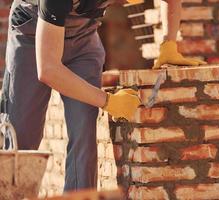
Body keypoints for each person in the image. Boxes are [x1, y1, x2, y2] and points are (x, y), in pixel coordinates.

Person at [1, 0, 206, 192]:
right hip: (32, 34)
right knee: (21, 139)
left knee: (84, 133)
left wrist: (169, 44)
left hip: (82, 39)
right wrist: (109, 101)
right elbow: (48, 70)